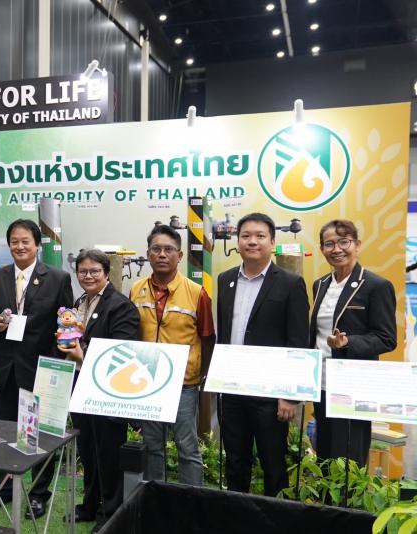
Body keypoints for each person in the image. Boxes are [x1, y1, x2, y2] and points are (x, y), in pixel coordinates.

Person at [0, 219, 73, 519]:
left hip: (40, 368)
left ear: (37, 245)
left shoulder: (57, 278)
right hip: (5, 368)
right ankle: (2, 489)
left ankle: (38, 494)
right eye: (14, 242)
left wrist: (56, 365)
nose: (19, 247)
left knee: (39, 434)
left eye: (25, 241)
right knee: (3, 430)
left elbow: (65, 324)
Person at [216, 212, 309, 497]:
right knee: (235, 461)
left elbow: (298, 341)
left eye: (260, 236)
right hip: (232, 389)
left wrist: (290, 394)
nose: (252, 242)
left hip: (271, 393)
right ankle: (237, 514)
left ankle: (275, 517)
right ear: (238, 241)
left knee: (273, 463)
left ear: (272, 242)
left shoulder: (290, 283)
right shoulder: (225, 279)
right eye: (245, 236)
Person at [59, 249, 138, 532]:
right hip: (80, 383)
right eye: (83, 271)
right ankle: (89, 505)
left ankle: (111, 512)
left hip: (107, 389)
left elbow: (121, 352)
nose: (88, 276)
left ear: (106, 273)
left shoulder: (120, 306)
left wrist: (82, 354)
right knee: (88, 449)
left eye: (94, 271)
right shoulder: (80, 302)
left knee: (108, 452)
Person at [130, 224, 214, 487]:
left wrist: (202, 376)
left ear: (180, 255)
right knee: (152, 445)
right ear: (148, 254)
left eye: (169, 249)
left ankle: (191, 501)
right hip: (147, 380)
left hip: (183, 383)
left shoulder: (197, 293)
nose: (162, 254)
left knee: (187, 447)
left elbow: (207, 337)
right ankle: (156, 498)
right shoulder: (136, 289)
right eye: (156, 249)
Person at [310, 219, 396, 466]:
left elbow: (386, 338)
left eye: (344, 242)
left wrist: (348, 342)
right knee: (324, 454)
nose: (336, 249)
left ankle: (349, 495)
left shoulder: (377, 286)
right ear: (322, 249)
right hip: (321, 383)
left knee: (348, 458)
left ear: (357, 244)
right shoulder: (320, 284)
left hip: (352, 385)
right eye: (329, 244)